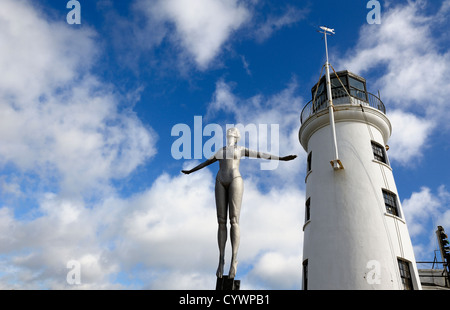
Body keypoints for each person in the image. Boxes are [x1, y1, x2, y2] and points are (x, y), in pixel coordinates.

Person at [182, 127, 296, 279]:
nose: (230, 131)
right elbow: (205, 163)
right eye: (229, 130)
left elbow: (261, 154)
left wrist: (281, 158)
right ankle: (221, 260)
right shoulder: (220, 151)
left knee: (234, 220)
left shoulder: (240, 149)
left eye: (233, 131)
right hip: (220, 180)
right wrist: (190, 171)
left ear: (237, 136)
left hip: (235, 179)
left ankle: (233, 261)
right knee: (221, 221)